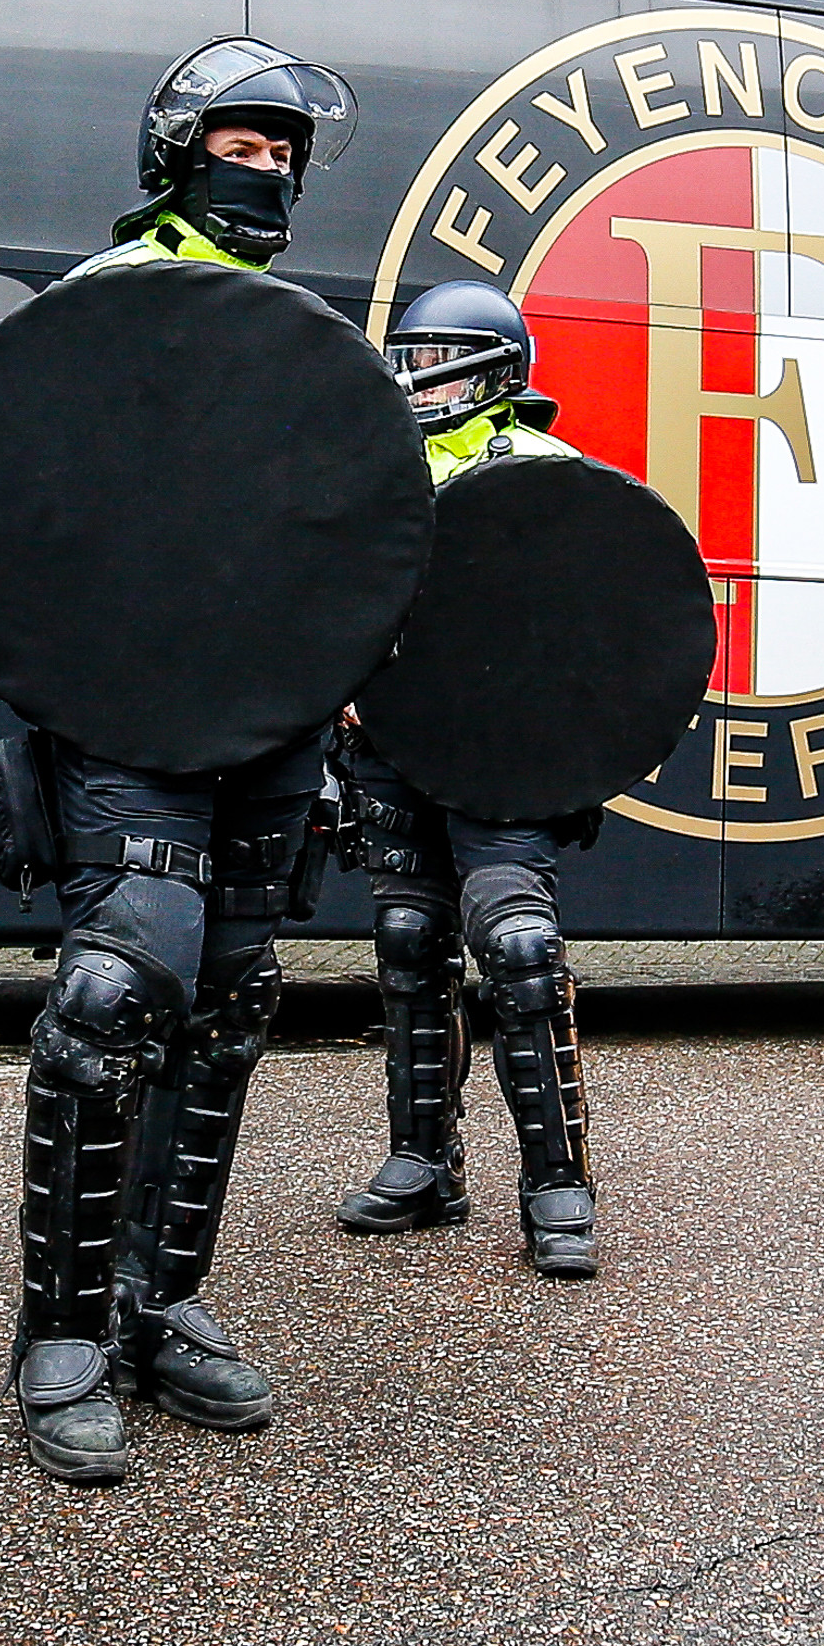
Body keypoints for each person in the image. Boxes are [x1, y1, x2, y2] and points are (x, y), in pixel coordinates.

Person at [10, 38, 359, 1488]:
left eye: (283, 151)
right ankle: (63, 1333)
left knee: (230, 1000)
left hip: (268, 722)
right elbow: (18, 505)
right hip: (132, 714)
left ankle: (160, 1301)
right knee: (115, 990)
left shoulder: (295, 332)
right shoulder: (99, 305)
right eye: (241, 142)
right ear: (176, 149)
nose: (263, 169)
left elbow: (334, 533)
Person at [331, 281, 600, 1277]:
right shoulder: (380, 469)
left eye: (436, 353)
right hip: (394, 751)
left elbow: (604, 622)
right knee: (409, 941)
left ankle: (557, 1179)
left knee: (520, 948)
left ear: (494, 369)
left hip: (503, 762)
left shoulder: (547, 472)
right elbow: (340, 600)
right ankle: (423, 1158)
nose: (412, 372)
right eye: (407, 351)